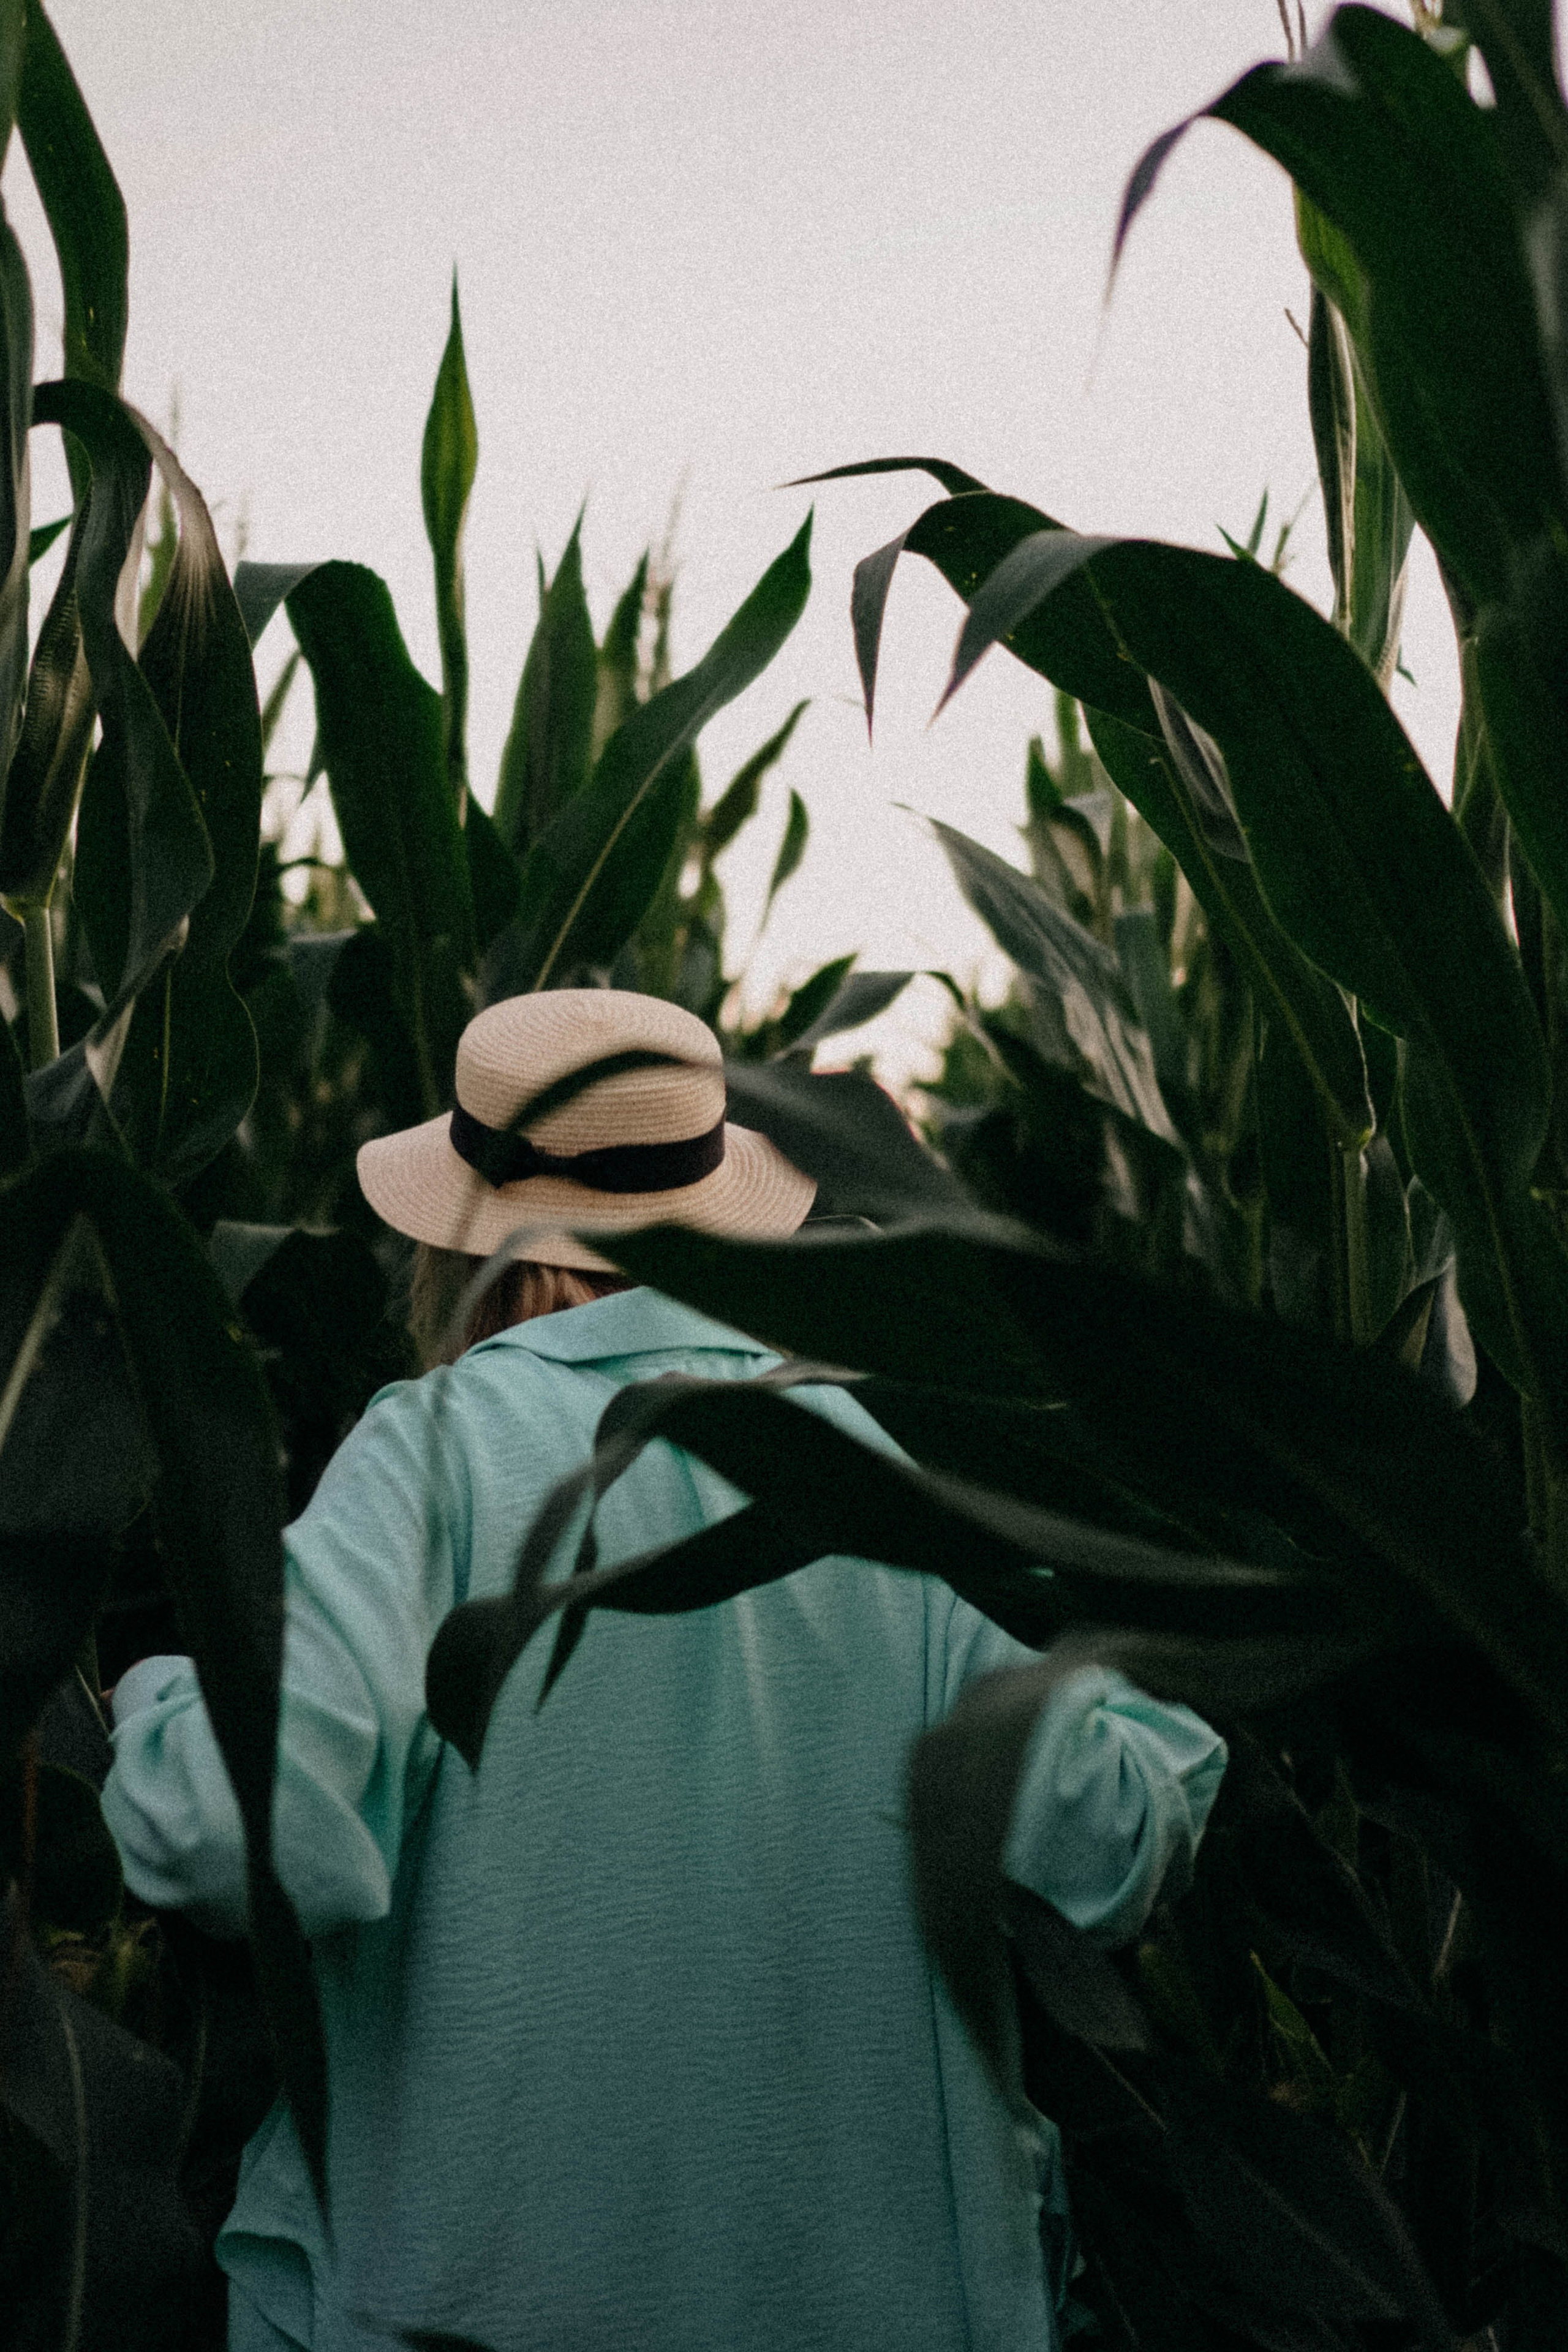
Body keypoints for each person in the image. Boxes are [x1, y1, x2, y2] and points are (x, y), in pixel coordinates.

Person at [102, 989, 1226, 2352]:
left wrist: (158, 1696)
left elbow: (240, 1824)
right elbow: (1108, 1837)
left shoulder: (433, 1457)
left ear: (458, 1237)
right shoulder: (896, 1470)